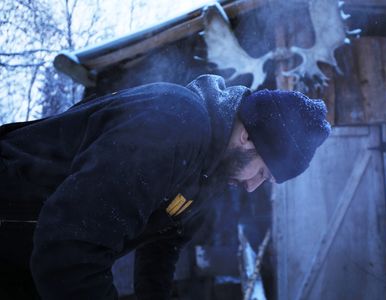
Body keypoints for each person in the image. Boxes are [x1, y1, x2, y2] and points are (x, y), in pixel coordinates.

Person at [0, 74, 330, 299]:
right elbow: (70, 246)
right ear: (247, 137)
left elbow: (163, 247)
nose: (251, 187)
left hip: (28, 256)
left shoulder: (208, 175)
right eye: (262, 173)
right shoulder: (176, 123)